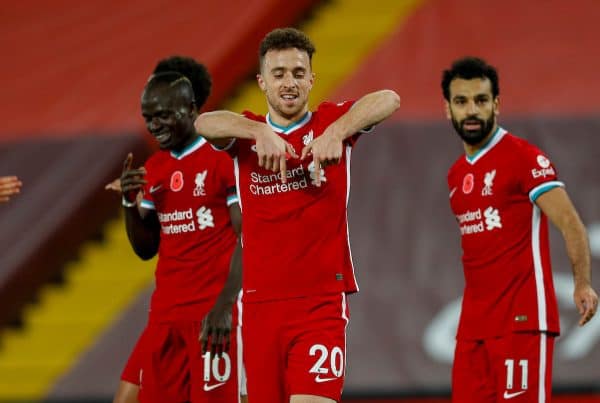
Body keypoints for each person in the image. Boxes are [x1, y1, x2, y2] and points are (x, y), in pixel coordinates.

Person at [194, 27, 400, 403]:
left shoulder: (329, 122)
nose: (289, 82)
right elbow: (204, 123)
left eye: (298, 73)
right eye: (278, 74)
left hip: (319, 303)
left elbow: (388, 98)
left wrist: (338, 131)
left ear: (311, 79)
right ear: (262, 81)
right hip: (258, 305)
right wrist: (258, 130)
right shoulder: (244, 134)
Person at [442, 56, 598, 403]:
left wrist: (582, 282)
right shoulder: (455, 175)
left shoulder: (523, 158)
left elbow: (570, 222)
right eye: (461, 101)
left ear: (496, 105)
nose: (471, 111)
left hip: (522, 319)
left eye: (481, 100)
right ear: (447, 109)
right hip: (473, 327)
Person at [108, 58, 244, 403]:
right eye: (148, 119)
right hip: (165, 318)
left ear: (191, 109)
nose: (154, 126)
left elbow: (249, 237)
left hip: (211, 316)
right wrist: (128, 202)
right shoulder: (154, 167)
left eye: (163, 116)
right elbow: (145, 248)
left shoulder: (222, 158)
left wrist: (226, 305)